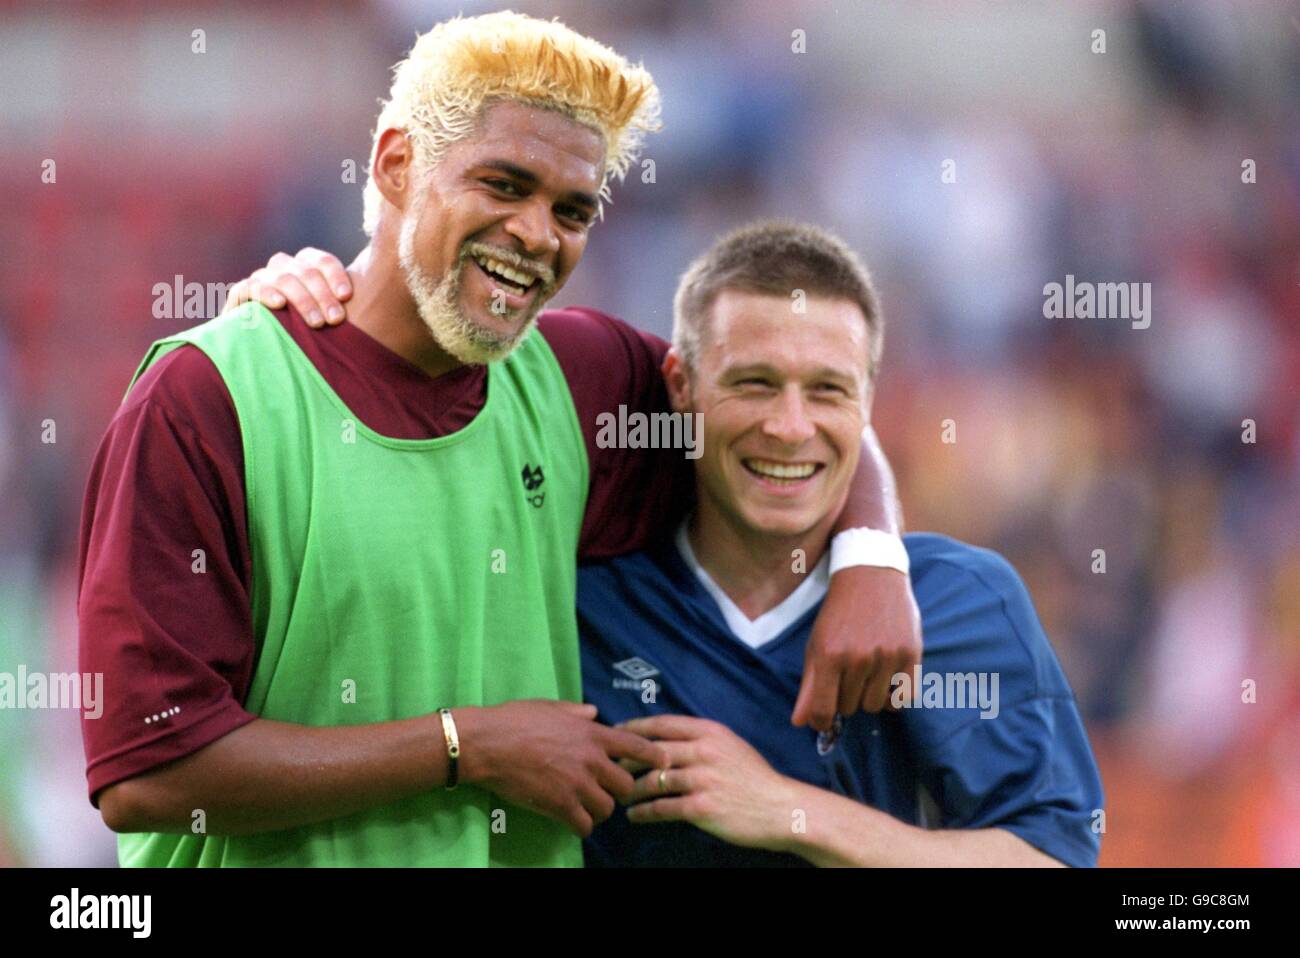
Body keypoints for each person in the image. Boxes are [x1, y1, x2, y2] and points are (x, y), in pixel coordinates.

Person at [78, 12, 918, 868]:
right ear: (397, 164)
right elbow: (151, 772)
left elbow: (787, 423)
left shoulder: (580, 377)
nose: (537, 234)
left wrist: (872, 556)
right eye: (504, 185)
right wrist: (466, 747)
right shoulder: (206, 398)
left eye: (572, 209)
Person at [238, 221, 1105, 868]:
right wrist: (299, 333)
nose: (790, 426)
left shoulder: (958, 599)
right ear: (682, 388)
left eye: (828, 391)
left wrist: (786, 810)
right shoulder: (574, 583)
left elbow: (1057, 856)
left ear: (868, 401)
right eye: (754, 383)